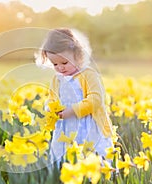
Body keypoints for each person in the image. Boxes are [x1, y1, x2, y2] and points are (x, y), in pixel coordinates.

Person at [36, 28, 113, 163]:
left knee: (91, 157)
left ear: (78, 56)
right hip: (65, 126)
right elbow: (52, 98)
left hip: (89, 126)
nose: (60, 67)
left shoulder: (88, 74)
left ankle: (97, 180)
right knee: (64, 157)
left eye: (64, 63)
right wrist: (49, 108)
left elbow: (96, 100)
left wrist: (74, 111)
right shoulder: (57, 79)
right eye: (55, 64)